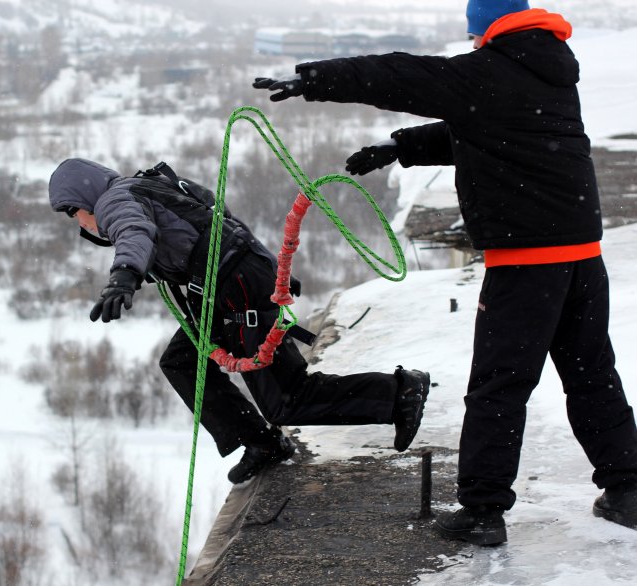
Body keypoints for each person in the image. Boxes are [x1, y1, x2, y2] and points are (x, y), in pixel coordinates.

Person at [253, 0, 637, 544]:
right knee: (591, 373)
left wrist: (315, 79)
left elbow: (400, 73)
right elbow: (488, 126)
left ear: (483, 28)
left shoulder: (486, 70)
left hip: (526, 266)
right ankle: (628, 489)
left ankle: (483, 512)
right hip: (580, 258)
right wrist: (399, 148)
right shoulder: (547, 66)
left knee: (497, 389)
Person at [48, 157, 430, 484]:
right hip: (228, 288)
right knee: (183, 361)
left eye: (74, 214)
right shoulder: (149, 185)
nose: (81, 224)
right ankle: (261, 440)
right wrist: (270, 267)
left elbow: (134, 231)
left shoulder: (116, 201)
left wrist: (125, 275)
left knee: (287, 399)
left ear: (84, 200)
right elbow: (222, 218)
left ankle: (398, 393)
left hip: (235, 291)